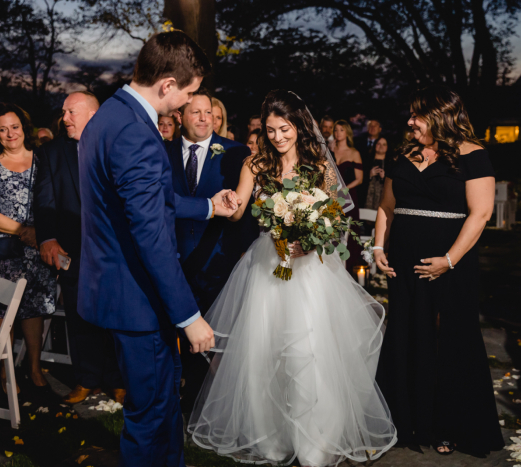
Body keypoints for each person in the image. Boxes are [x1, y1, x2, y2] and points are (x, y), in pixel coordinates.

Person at [188, 90, 397, 467]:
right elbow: (238, 212)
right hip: (268, 266)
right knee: (265, 354)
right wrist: (230, 205)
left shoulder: (318, 165)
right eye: (270, 130)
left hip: (310, 273)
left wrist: (313, 240)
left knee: (309, 353)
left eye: (284, 129)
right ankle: (273, 438)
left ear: (299, 126)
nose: (277, 137)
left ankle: (315, 443)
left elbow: (337, 220)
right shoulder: (255, 165)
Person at [77, 31, 239, 467]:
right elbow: (150, 235)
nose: (187, 104)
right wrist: (189, 317)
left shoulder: (109, 116)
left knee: (163, 408)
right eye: (187, 93)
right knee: (151, 417)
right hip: (139, 300)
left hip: (116, 289)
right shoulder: (135, 133)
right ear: (167, 84)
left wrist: (208, 206)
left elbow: (147, 200)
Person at [374, 86, 502, 456]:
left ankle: (449, 424)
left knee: (449, 339)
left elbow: (481, 214)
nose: (410, 122)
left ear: (441, 116)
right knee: (406, 335)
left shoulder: (473, 155)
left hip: (451, 266)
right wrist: (379, 246)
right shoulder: (405, 154)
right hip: (403, 263)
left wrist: (449, 260)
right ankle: (405, 421)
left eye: (417, 115)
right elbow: (386, 207)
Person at [167, 87, 256, 415]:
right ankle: (187, 402)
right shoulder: (163, 152)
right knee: (182, 334)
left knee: (220, 336)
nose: (204, 118)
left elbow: (243, 209)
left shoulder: (235, 152)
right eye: (195, 112)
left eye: (208, 112)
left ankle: (220, 405)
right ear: (180, 117)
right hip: (174, 261)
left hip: (220, 260)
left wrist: (244, 251)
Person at [34, 91, 125, 405]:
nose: (64, 118)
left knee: (115, 316)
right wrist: (47, 238)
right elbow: (44, 202)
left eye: (71, 112)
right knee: (79, 315)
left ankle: (117, 380)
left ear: (93, 114)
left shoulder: (118, 147)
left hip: (116, 251)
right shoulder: (52, 153)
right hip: (73, 251)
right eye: (63, 112)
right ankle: (86, 379)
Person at [0, 103, 56, 393]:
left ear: (25, 127)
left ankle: (34, 367)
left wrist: (39, 236)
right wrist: (23, 231)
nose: (10, 134)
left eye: (15, 126)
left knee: (34, 310)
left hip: (37, 250)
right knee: (1, 311)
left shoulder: (44, 159)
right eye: (3, 129)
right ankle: (5, 373)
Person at [333, 119, 363, 275]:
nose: (338, 133)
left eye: (341, 130)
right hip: (331, 198)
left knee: (347, 234)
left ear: (347, 133)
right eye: (336, 130)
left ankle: (348, 271)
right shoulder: (329, 150)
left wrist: (344, 189)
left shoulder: (354, 152)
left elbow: (360, 178)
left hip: (348, 197)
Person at [355, 118, 382, 204]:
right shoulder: (358, 143)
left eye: (375, 125)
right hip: (360, 185)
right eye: (370, 125)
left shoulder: (384, 144)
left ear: (380, 129)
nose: (372, 127)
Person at [364, 137, 389, 210]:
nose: (381, 146)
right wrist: (369, 175)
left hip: (383, 201)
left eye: (384, 144)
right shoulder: (367, 161)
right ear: (375, 145)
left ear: (387, 147)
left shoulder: (391, 164)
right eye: (378, 144)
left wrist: (384, 178)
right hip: (366, 199)